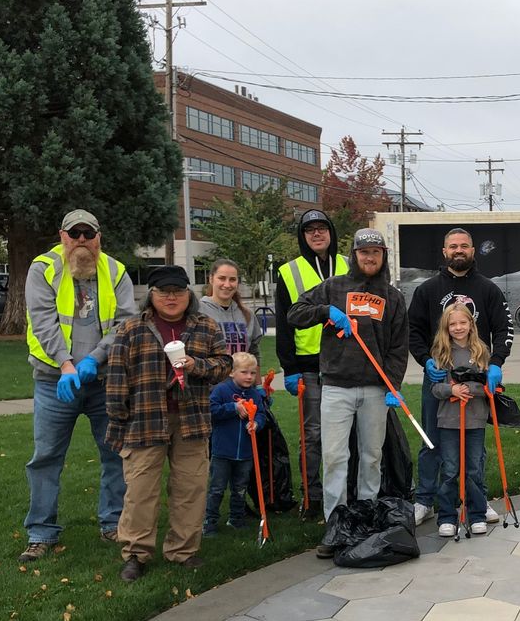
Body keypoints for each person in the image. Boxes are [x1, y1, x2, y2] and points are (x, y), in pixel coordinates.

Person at [20, 209, 136, 562]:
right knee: (46, 458)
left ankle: (113, 523)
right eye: (75, 234)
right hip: (55, 382)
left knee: (115, 455)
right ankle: (41, 533)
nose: (82, 240)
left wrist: (93, 360)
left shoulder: (115, 271)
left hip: (103, 381)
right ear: (62, 236)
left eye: (89, 233)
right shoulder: (43, 269)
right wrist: (67, 365)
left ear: (99, 236)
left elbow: (125, 324)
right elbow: (43, 322)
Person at [105, 265, 231, 582]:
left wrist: (196, 365)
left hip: (191, 420)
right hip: (144, 420)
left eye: (178, 291)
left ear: (189, 294)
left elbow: (224, 365)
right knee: (140, 492)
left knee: (190, 488)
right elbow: (116, 378)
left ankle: (183, 551)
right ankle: (136, 554)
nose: (171, 297)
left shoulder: (206, 326)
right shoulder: (131, 329)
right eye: (164, 292)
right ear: (152, 296)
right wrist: (118, 420)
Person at [286, 228, 409, 552]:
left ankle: (366, 519)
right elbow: (295, 314)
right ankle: (336, 526)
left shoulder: (393, 297)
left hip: (373, 390)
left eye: (376, 252)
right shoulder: (333, 287)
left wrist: (392, 385)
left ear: (383, 257)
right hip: (337, 387)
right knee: (336, 457)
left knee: (371, 457)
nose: (370, 257)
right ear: (354, 255)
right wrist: (326, 312)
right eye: (364, 252)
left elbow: (398, 348)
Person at [407, 227, 513, 526]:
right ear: (444, 252)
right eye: (453, 246)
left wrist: (496, 362)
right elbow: (412, 331)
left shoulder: (488, 289)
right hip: (438, 380)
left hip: (477, 378)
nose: (458, 250)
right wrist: (426, 361)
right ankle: (425, 500)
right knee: (432, 440)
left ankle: (477, 499)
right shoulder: (427, 290)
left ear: (472, 250)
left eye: (464, 246)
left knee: (474, 444)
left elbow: (505, 329)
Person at [275, 208, 349, 521]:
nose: (316, 234)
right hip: (309, 366)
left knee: (348, 433)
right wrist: (289, 369)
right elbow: (283, 323)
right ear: (303, 237)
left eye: (321, 228)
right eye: (309, 231)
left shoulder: (349, 263)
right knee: (314, 434)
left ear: (331, 232)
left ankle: (347, 493)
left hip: (347, 362)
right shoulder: (288, 271)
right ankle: (313, 496)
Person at [429, 301, 492, 538]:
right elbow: (436, 389)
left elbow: (485, 384)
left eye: (462, 322)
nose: (458, 327)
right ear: (446, 327)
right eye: (452, 324)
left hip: (474, 419)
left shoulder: (480, 351)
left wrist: (469, 387)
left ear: (471, 324)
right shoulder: (441, 353)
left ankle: (477, 514)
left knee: (474, 468)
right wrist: (451, 391)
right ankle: (447, 516)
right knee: (450, 468)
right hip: (449, 420)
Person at [204, 352, 268, 536]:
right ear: (232, 373)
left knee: (240, 488)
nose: (249, 377)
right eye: (244, 372)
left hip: (246, 452)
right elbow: (211, 411)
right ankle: (209, 522)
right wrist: (233, 408)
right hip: (222, 450)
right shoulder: (221, 390)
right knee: (217, 488)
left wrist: (256, 424)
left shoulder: (254, 394)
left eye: (253, 373)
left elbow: (262, 415)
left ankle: (236, 519)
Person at [199, 258, 263, 357]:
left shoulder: (247, 314)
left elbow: (254, 351)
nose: (227, 284)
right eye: (222, 278)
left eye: (232, 279)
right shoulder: (198, 311)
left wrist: (254, 372)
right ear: (211, 279)